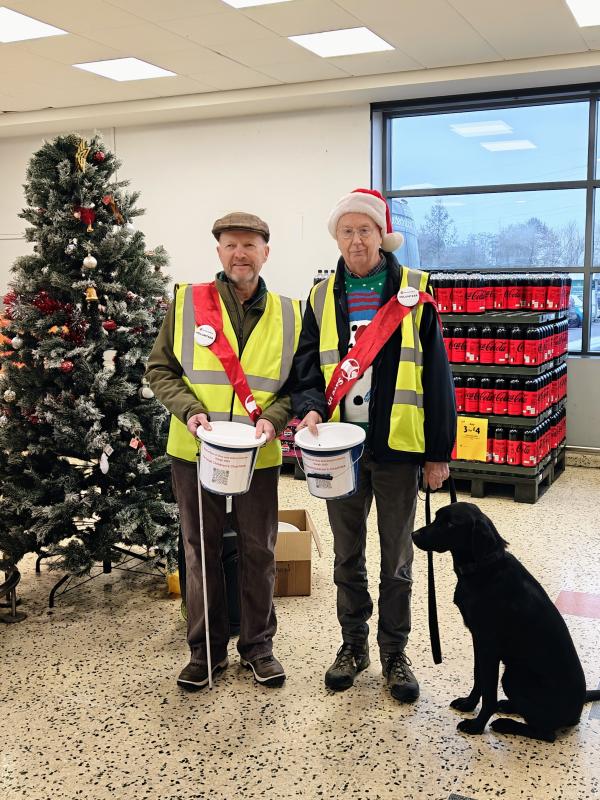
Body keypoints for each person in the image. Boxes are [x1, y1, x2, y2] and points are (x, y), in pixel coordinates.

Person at [291, 189, 456, 702]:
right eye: (347, 231)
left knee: (398, 559)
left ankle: (393, 653)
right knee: (346, 556)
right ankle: (353, 646)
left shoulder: (414, 290)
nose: (356, 240)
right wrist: (312, 408)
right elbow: (304, 372)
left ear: (381, 236)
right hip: (339, 450)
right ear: (336, 239)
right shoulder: (319, 298)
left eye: (365, 230)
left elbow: (437, 377)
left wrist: (438, 453)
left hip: (399, 450)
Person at [147, 212, 300, 691]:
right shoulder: (188, 303)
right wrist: (190, 411)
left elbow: (301, 385)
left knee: (260, 549)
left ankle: (258, 648)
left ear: (265, 252)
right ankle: (205, 652)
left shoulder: (291, 313)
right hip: (195, 451)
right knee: (199, 551)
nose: (240, 254)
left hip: (260, 453)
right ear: (218, 251)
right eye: (231, 245)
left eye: (250, 245)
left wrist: (273, 421)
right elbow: (160, 370)